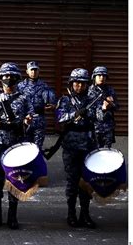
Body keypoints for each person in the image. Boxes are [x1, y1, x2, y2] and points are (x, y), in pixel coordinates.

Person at [0, 62, 33, 229]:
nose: (8, 79)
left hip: (15, 143)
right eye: (5, 76)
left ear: (17, 78)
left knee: (15, 178)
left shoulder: (24, 98)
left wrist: (27, 121)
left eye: (11, 76)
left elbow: (32, 118)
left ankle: (12, 216)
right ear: (0, 78)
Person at [56, 68, 105, 229]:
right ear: (71, 83)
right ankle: (71, 214)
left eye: (83, 83)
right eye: (76, 82)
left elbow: (100, 118)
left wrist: (102, 109)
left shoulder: (93, 98)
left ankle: (85, 214)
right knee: (72, 181)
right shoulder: (65, 100)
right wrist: (75, 114)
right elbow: (60, 118)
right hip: (71, 146)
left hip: (88, 146)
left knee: (86, 182)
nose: (79, 86)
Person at [17, 61, 56, 149]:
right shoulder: (20, 86)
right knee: (24, 147)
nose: (34, 72)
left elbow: (50, 102)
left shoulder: (44, 86)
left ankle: (37, 162)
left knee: (37, 148)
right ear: (27, 71)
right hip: (25, 120)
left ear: (39, 71)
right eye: (31, 70)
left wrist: (51, 106)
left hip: (39, 119)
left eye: (36, 70)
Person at [87, 66, 119, 148]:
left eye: (104, 76)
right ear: (94, 77)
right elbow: (87, 111)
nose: (102, 78)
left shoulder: (110, 90)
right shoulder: (88, 91)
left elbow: (117, 107)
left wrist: (111, 104)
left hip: (108, 128)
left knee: (107, 153)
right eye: (99, 75)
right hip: (94, 129)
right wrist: (103, 108)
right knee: (94, 153)